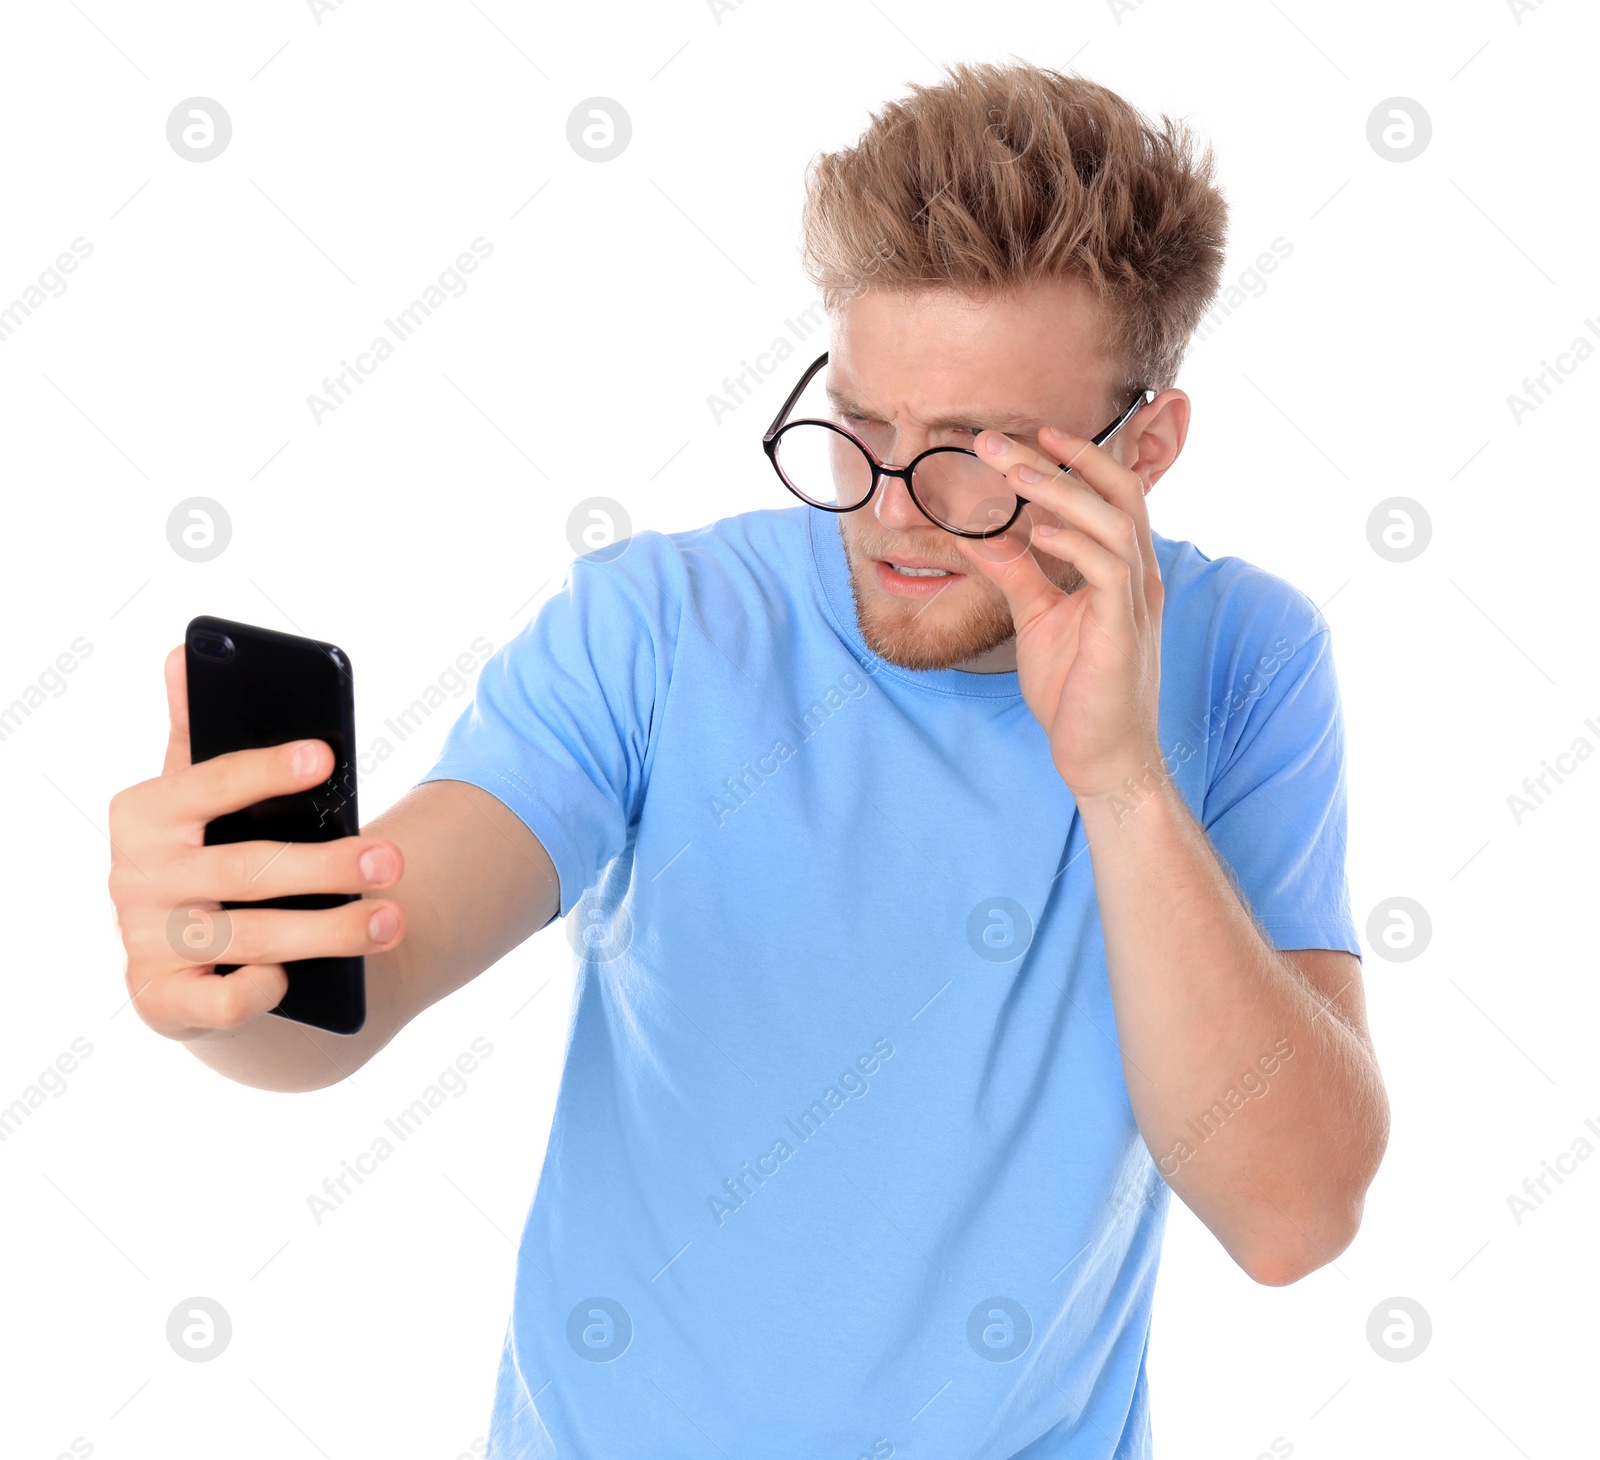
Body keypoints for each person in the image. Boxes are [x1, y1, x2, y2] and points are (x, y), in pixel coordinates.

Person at [107, 61, 1388, 1459]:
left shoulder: (1246, 662)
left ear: (1142, 451)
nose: (893, 512)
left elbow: (1290, 1220)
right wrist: (228, 967)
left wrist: (1124, 781)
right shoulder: (658, 628)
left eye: (977, 457)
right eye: (863, 424)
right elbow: (363, 980)